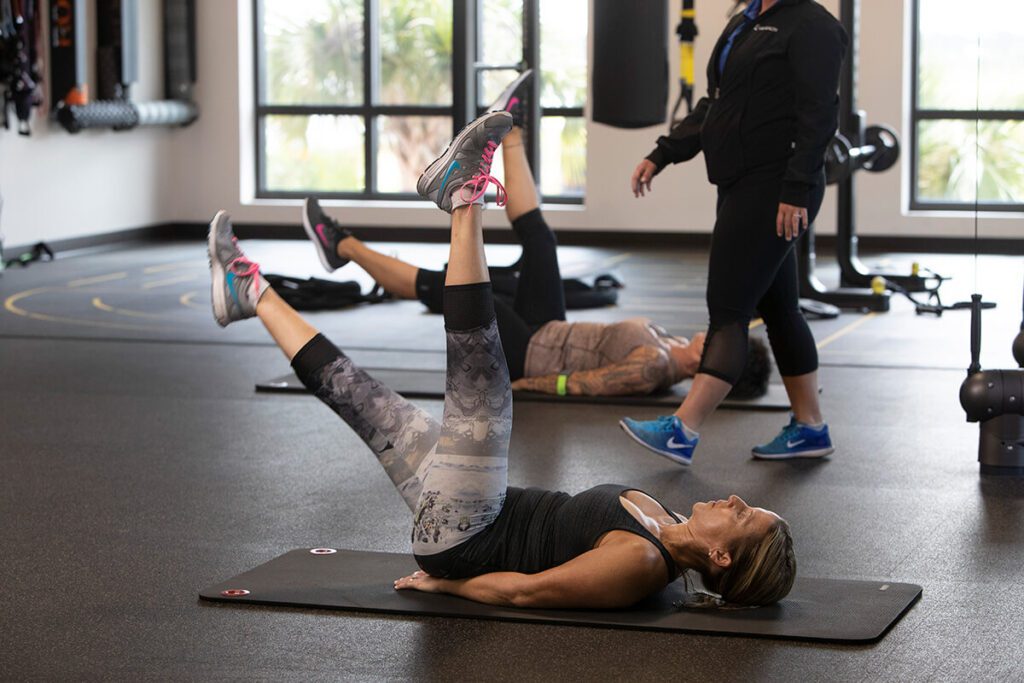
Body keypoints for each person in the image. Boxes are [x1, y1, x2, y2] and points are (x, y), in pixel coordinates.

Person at [206, 110, 796, 608]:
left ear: (720, 556)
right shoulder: (664, 522)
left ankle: (463, 198)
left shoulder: (643, 562)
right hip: (469, 505)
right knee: (358, 394)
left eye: (743, 517)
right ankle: (248, 291)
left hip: (469, 532)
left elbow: (528, 592)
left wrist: (447, 586)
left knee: (485, 391)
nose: (735, 500)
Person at [300, 70, 771, 400]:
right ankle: (512, 130)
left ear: (718, 363)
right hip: (549, 328)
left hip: (530, 355)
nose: (714, 333)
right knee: (541, 242)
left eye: (722, 344)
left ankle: (345, 244)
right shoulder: (667, 346)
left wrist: (524, 387)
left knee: (462, 289)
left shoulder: (655, 368)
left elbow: (586, 386)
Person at [620, 0, 847, 465]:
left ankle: (683, 429)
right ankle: (810, 427)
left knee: (728, 309)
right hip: (741, 181)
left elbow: (819, 114)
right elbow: (716, 103)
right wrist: (663, 153)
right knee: (781, 309)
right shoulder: (747, 23)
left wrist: (796, 189)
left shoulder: (813, 26)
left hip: (774, 189)